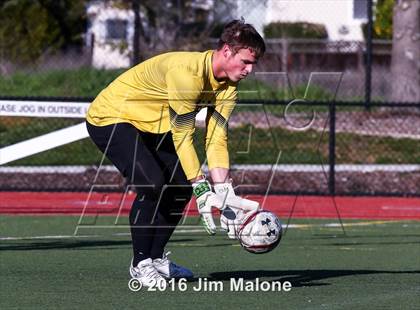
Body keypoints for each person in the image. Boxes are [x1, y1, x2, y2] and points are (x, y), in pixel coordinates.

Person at [85, 19, 265, 287]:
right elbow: (183, 134)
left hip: (153, 125)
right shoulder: (187, 75)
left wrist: (224, 190)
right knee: (153, 184)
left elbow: (216, 138)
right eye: (246, 61)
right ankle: (141, 264)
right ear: (226, 51)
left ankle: (157, 259)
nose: (250, 70)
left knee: (180, 187)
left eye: (254, 64)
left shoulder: (229, 88)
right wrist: (202, 185)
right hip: (112, 117)